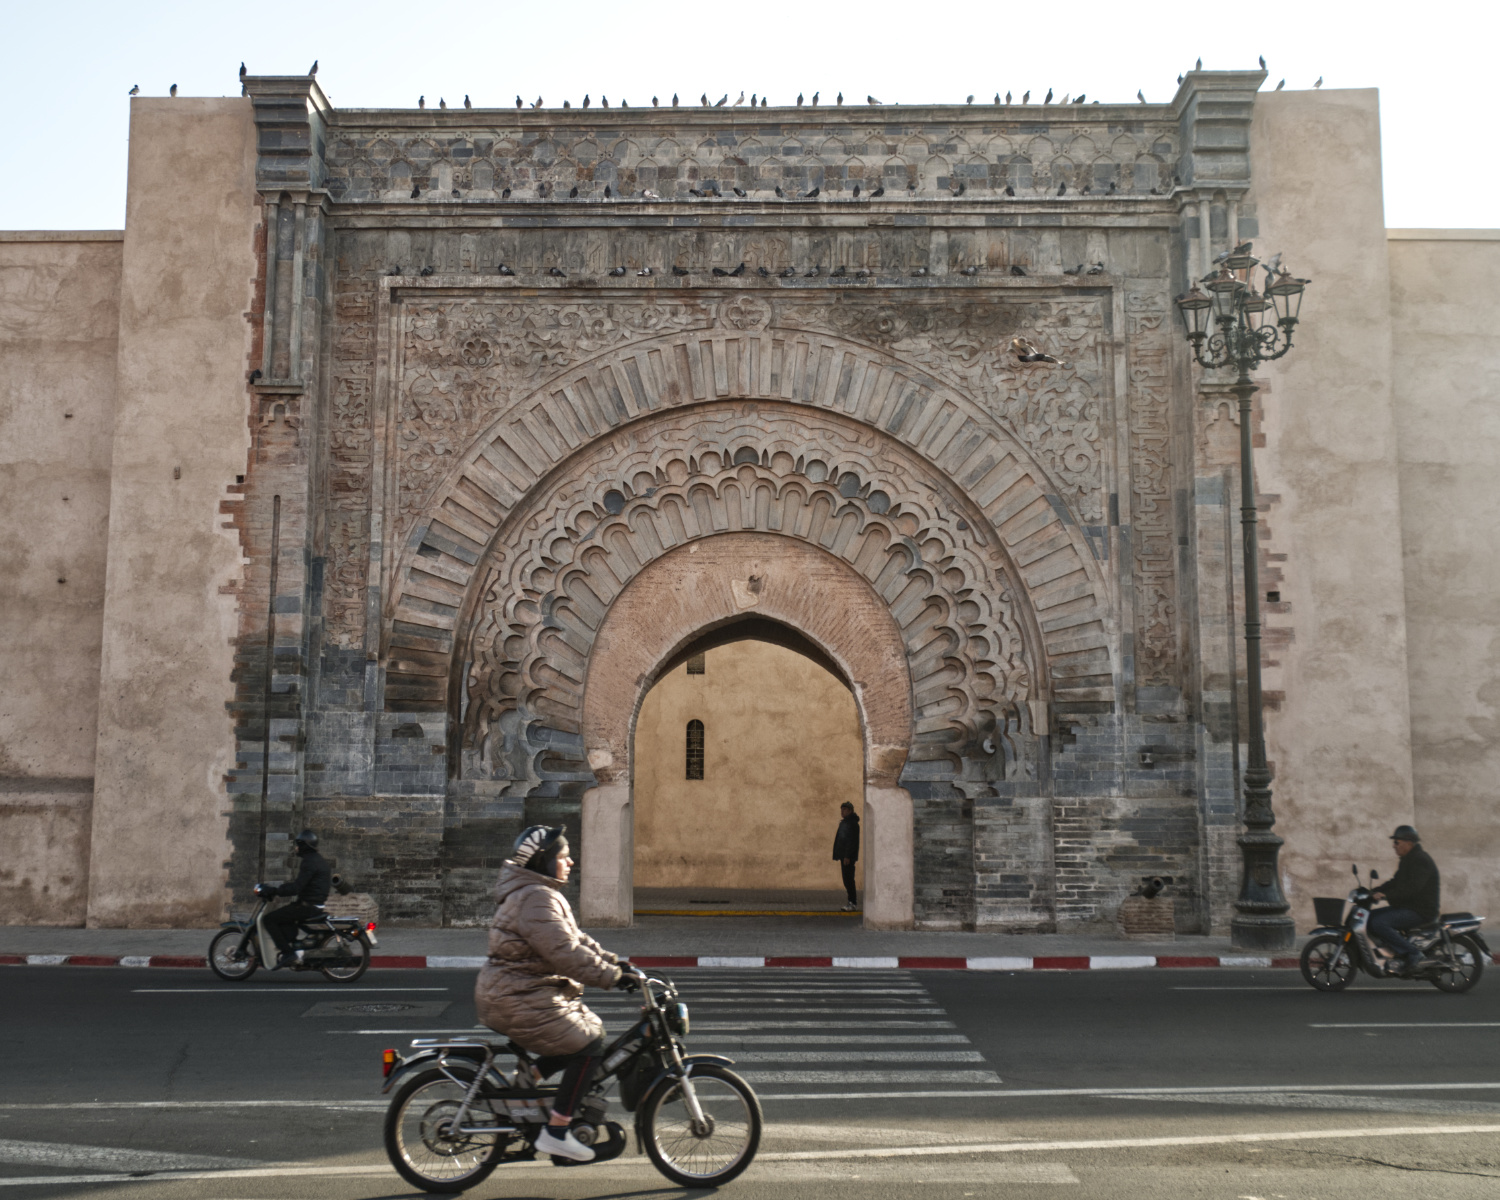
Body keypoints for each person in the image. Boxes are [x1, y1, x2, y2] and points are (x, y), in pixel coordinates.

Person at [474, 825, 636, 1163]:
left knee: (593, 1032)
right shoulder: (536, 897)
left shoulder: (539, 894)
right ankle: (558, 1131)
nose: (571, 862)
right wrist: (612, 978)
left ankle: (530, 1077)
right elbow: (565, 954)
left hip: (521, 993)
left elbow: (577, 941)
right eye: (563, 856)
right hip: (517, 998)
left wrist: (617, 964)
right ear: (544, 861)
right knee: (588, 1047)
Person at [1369, 824, 1441, 974]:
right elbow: (1395, 882)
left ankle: (1413, 953)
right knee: (1369, 918)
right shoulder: (1408, 859)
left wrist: (1386, 895)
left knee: (1380, 922)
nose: (1394, 846)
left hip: (1421, 910)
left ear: (1409, 843)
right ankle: (1390, 953)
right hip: (1409, 907)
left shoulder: (1420, 860)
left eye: (1397, 842)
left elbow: (1412, 888)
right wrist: (1374, 891)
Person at [256, 829, 331, 967]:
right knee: (286, 916)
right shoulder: (317, 860)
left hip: (307, 907)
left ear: (304, 845)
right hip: (313, 905)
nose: (296, 847)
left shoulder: (309, 862)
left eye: (298, 844)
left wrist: (274, 890)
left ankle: (288, 953)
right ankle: (292, 947)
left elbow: (297, 887)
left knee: (269, 919)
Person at [832, 801, 860, 911]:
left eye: (844, 809)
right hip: (844, 856)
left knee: (849, 880)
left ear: (850, 811)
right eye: (841, 809)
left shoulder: (852, 824)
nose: (842, 812)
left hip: (848, 857)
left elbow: (851, 841)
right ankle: (851, 901)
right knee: (846, 879)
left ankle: (852, 902)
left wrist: (847, 856)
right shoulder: (845, 822)